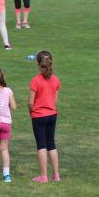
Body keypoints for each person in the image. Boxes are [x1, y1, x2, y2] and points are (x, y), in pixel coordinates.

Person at [29, 50, 62, 183]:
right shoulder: (56, 80)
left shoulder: (35, 80)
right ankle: (56, 175)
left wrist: (31, 112)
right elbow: (55, 101)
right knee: (51, 145)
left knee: (41, 145)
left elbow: (30, 102)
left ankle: (43, 176)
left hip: (38, 116)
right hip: (52, 115)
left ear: (38, 64)